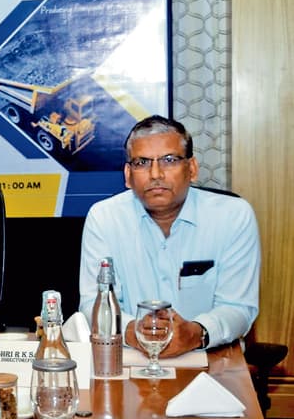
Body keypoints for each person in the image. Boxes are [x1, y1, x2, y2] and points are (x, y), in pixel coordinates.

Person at [79, 115, 260, 357]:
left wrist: (196, 333)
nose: (156, 174)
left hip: (211, 354)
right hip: (131, 354)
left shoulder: (233, 216)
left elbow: (238, 307)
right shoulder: (104, 218)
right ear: (128, 175)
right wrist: (134, 331)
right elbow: (93, 304)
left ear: (192, 169)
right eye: (142, 162)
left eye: (169, 160)